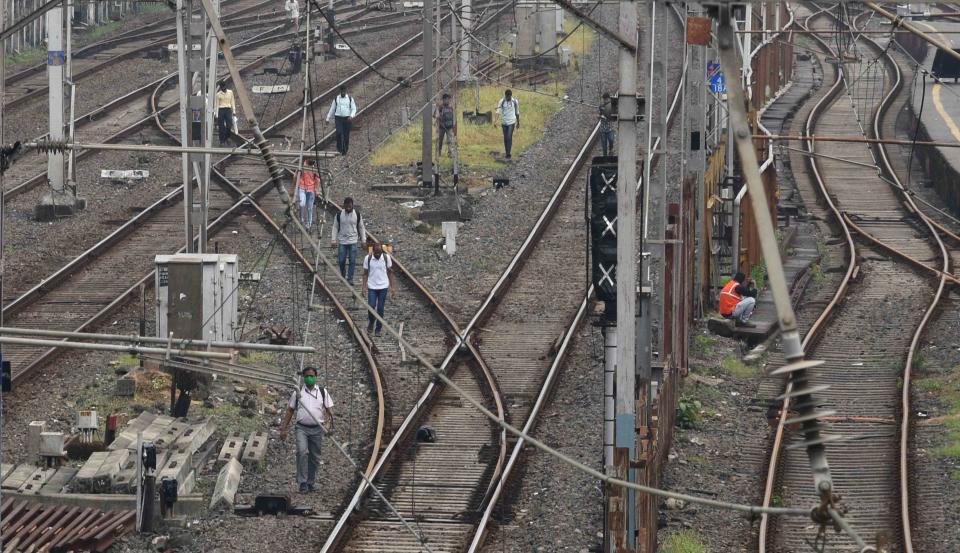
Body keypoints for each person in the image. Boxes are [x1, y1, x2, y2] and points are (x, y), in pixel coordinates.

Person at [279, 366, 334, 493]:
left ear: (316, 377)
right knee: (302, 452)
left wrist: (328, 424)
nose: (309, 378)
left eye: (312, 376)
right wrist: (284, 428)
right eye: (307, 376)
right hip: (301, 428)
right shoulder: (297, 393)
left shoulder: (322, 392)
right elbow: (290, 410)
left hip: (317, 429)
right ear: (304, 378)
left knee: (315, 457)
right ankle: (302, 482)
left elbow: (329, 411)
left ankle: (311, 482)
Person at [331, 197, 366, 285]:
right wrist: (333, 240)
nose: (348, 207)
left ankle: (350, 278)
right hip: (342, 241)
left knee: (352, 260)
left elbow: (361, 227)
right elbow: (335, 227)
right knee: (341, 260)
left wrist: (363, 240)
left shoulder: (357, 214)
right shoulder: (339, 215)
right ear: (344, 205)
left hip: (353, 241)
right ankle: (343, 276)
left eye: (350, 206)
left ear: (352, 205)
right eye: (346, 206)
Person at [362, 242, 395, 337]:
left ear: (381, 252)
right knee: (371, 306)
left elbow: (390, 273)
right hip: (372, 287)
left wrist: (392, 288)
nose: (377, 254)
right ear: (373, 251)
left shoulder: (386, 258)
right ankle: (371, 322)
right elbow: (365, 273)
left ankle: (378, 329)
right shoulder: (367, 258)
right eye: (375, 253)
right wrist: (364, 287)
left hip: (383, 287)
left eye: (379, 253)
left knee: (380, 308)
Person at [326, 86, 357, 155]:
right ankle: (339, 149)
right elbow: (332, 109)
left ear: (346, 91)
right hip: (338, 118)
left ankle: (345, 150)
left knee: (346, 135)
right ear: (340, 91)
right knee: (339, 133)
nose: (343, 92)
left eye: (344, 91)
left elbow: (354, 108)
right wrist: (328, 118)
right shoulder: (336, 99)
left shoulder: (350, 99)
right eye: (341, 91)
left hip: (347, 119)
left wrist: (351, 116)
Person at [295, 158, 320, 229]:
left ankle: (309, 224)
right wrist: (293, 187)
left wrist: (317, 190)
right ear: (307, 159)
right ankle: (301, 220)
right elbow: (296, 176)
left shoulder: (314, 167)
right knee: (302, 204)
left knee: (310, 208)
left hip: (311, 190)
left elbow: (317, 179)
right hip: (302, 188)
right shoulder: (301, 166)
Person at [495, 89, 520, 159]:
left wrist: (518, 122)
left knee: (509, 137)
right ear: (505, 95)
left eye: (509, 97)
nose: (508, 98)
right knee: (505, 138)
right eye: (507, 97)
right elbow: (498, 111)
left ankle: (508, 154)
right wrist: (495, 121)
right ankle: (507, 152)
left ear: (511, 96)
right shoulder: (502, 101)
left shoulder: (515, 101)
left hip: (512, 122)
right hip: (504, 122)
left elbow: (517, 112)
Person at [434, 93, 456, 157]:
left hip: (449, 127)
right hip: (442, 127)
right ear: (443, 100)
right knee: (440, 141)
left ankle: (450, 153)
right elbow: (434, 115)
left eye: (448, 99)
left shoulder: (451, 107)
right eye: (446, 99)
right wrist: (438, 116)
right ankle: (439, 153)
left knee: (450, 141)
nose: (447, 100)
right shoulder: (440, 107)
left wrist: (453, 125)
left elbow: (453, 116)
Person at [599, 92, 616, 156]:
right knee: (604, 145)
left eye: (606, 99)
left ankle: (611, 150)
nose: (605, 101)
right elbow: (600, 114)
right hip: (603, 129)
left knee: (611, 140)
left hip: (610, 128)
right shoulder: (601, 106)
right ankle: (605, 157)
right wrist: (600, 116)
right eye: (604, 99)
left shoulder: (611, 106)